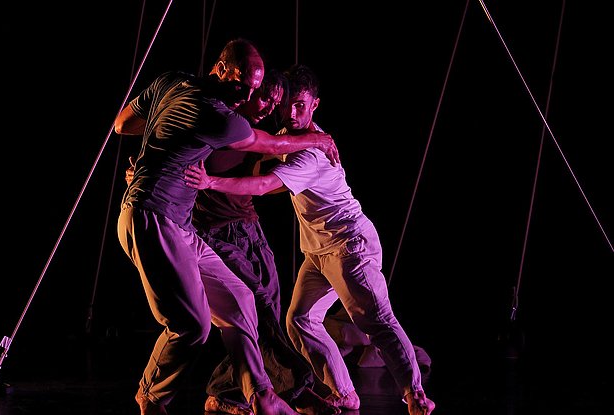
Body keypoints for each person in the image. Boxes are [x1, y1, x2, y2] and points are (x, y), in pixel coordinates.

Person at [183, 64, 436, 415]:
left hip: (349, 245)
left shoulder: (309, 154)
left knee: (377, 320)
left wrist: (209, 181)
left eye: (300, 105)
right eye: (288, 104)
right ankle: (344, 392)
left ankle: (415, 395)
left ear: (315, 104)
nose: (291, 112)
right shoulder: (294, 138)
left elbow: (262, 186)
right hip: (318, 251)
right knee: (299, 320)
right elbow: (262, 151)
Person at [114, 39, 340, 415]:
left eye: (255, 89)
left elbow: (124, 124)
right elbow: (265, 145)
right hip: (153, 218)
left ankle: (261, 394)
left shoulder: (171, 82)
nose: (247, 96)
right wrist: (317, 137)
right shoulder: (219, 116)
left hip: (178, 224)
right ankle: (151, 397)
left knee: (240, 299)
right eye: (242, 87)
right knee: (192, 326)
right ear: (220, 69)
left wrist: (159, 143)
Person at [194, 69, 339, 415]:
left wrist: (317, 142)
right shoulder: (219, 123)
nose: (270, 108)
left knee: (269, 311)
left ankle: (225, 392)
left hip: (248, 227)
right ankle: (295, 388)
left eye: (275, 103)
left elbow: (273, 154)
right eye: (265, 99)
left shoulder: (257, 131)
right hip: (213, 230)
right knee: (255, 306)